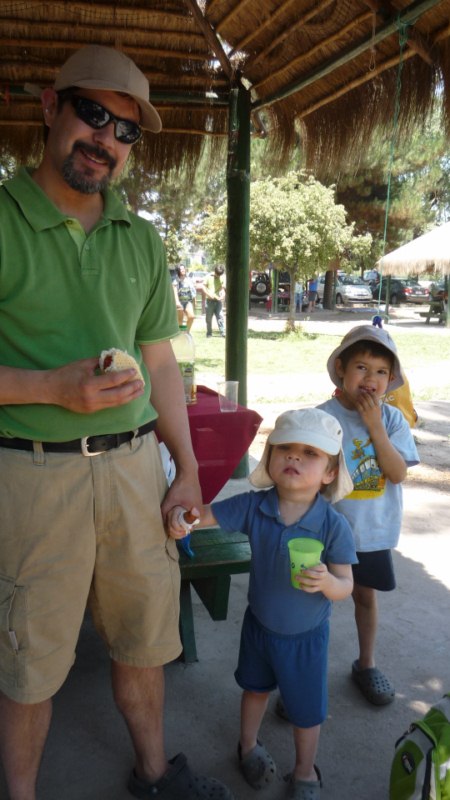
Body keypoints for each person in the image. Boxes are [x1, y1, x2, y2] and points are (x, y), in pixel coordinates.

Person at [0, 44, 234, 800]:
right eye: (92, 114)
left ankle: (154, 774)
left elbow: (159, 362)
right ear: (51, 107)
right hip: (32, 473)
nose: (106, 139)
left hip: (136, 469)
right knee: (30, 662)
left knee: (144, 638)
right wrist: (52, 388)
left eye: (125, 130)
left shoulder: (142, 237)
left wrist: (186, 469)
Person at [168, 409, 357, 799]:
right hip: (258, 627)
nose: (294, 456)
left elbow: (346, 585)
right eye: (284, 448)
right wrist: (183, 518)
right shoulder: (255, 506)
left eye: (310, 452)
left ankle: (305, 772)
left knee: (306, 710)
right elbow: (205, 516)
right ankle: (248, 746)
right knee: (254, 690)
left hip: (306, 639)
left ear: (330, 473)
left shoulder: (333, 525)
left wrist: (328, 582)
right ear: (270, 458)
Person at [317, 325, 419, 706]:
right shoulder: (322, 418)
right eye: (361, 367)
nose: (370, 379)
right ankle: (306, 675)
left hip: (371, 532)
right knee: (316, 602)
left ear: (390, 380)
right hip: (326, 531)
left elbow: (397, 473)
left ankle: (366, 663)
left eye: (380, 372)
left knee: (365, 597)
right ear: (341, 369)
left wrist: (375, 427)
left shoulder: (392, 421)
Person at [203, 265, 226, 337]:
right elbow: (203, 287)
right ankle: (209, 333)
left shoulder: (222, 277)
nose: (218, 276)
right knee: (208, 319)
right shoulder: (208, 276)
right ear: (215, 271)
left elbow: (222, 289)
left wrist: (223, 295)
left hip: (218, 301)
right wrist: (208, 294)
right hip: (209, 301)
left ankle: (223, 333)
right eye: (217, 274)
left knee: (220, 316)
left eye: (220, 275)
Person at [172, 264, 197, 331]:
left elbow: (193, 291)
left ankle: (186, 332)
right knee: (180, 320)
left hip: (188, 302)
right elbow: (174, 291)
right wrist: (177, 302)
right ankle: (181, 332)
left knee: (191, 317)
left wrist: (195, 301)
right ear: (178, 271)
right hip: (179, 302)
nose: (183, 270)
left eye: (183, 268)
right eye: (181, 269)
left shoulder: (189, 280)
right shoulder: (176, 281)